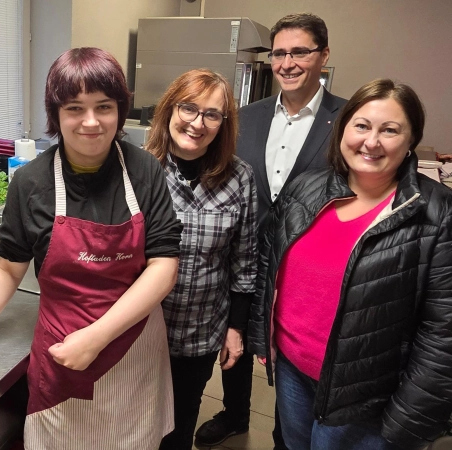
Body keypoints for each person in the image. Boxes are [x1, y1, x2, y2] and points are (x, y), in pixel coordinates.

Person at [0, 47, 183, 449]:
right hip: (63, 353)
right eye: (74, 108)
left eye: (104, 106)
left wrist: (97, 337)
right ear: (56, 114)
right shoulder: (31, 182)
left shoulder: (144, 170)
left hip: (132, 347)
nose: (90, 122)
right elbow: (7, 268)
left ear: (120, 110)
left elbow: (163, 267)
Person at [248, 78, 452, 449]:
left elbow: (444, 333)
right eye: (361, 125)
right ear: (343, 130)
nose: (371, 142)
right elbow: (269, 261)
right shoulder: (306, 188)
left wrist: (410, 417)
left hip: (370, 396)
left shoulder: (437, 214)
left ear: (410, 140)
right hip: (294, 370)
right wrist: (264, 336)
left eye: (389, 130)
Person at [195, 13, 347, 449]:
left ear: (323, 55)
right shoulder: (246, 116)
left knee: (291, 349)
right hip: (243, 252)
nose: (287, 62)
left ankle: (288, 430)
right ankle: (234, 413)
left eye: (300, 51)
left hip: (303, 262)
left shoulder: (347, 118)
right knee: (237, 331)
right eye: (279, 52)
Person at [145, 69, 258, 450]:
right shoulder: (141, 171)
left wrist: (236, 329)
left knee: (179, 424)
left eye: (212, 114)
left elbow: (245, 261)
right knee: (135, 421)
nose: (197, 123)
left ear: (223, 124)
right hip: (140, 329)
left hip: (200, 331)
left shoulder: (240, 177)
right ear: (169, 110)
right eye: (188, 108)